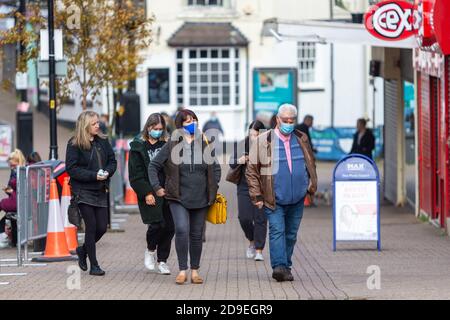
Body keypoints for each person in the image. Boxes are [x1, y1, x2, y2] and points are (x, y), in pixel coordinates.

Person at [148, 109, 221, 285]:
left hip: (201, 197)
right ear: (180, 125)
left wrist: (213, 186)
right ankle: (182, 270)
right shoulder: (172, 143)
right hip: (177, 197)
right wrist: (157, 187)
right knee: (181, 229)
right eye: (188, 121)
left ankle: (194, 271)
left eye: (194, 120)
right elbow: (153, 165)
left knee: (196, 235)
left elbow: (216, 169)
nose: (192, 123)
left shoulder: (204, 142)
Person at [246, 104, 317, 282]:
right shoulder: (264, 140)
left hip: (297, 197)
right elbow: (252, 170)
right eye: (284, 120)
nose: (288, 123)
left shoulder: (301, 138)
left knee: (291, 234)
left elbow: (310, 162)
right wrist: (257, 196)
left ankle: (286, 266)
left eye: (291, 120)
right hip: (273, 198)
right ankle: (278, 267)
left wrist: (311, 185)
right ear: (277, 119)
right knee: (277, 230)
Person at [66, 111, 117, 276]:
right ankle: (94, 265)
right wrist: (93, 175)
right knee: (91, 226)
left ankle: (83, 250)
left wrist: (107, 172)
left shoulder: (102, 140)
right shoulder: (74, 144)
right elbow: (72, 169)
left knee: (102, 227)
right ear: (85, 125)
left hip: (100, 189)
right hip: (83, 190)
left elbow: (112, 161)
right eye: (94, 123)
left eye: (98, 123)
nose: (98, 125)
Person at [129, 113, 175, 275]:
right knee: (156, 225)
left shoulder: (167, 144)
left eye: (160, 129)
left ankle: (163, 260)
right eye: (155, 129)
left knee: (170, 227)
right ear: (148, 127)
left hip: (168, 190)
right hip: (150, 191)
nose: (158, 131)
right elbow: (135, 175)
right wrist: (147, 192)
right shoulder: (138, 146)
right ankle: (150, 251)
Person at [229, 120, 267, 261]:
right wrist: (240, 159)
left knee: (260, 218)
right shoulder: (242, 144)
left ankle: (258, 249)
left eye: (256, 135)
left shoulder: (268, 146)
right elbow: (231, 163)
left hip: (262, 187)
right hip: (244, 186)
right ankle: (251, 240)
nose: (253, 138)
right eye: (251, 135)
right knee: (244, 218)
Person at [0, 149, 25, 248]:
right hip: (16, 200)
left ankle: (7, 237)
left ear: (18, 161)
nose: (11, 166)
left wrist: (10, 191)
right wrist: (9, 191)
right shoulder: (17, 171)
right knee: (9, 218)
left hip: (18, 201)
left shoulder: (20, 172)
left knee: (2, 206)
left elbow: (21, 191)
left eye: (13, 164)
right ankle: (13, 240)